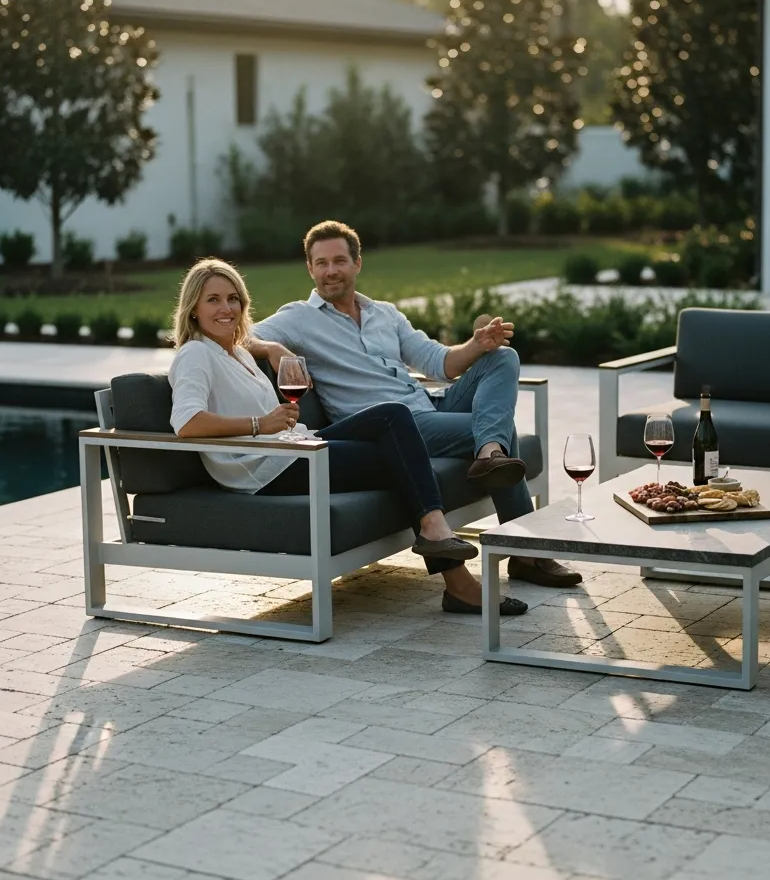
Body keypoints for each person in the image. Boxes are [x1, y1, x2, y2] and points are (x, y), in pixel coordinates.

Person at [248, 220, 583, 614]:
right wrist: (271, 347)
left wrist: (476, 345)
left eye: (339, 260)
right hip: (388, 426)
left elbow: (440, 363)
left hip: (430, 406)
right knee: (497, 427)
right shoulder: (298, 318)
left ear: (358, 263)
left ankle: (490, 455)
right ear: (310, 268)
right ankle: (522, 540)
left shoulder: (384, 314)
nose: (330, 270)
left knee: (502, 358)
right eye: (320, 263)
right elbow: (234, 335)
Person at [167, 259, 529, 603]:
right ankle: (454, 571)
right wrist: (261, 423)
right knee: (401, 456)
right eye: (213, 300)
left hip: (297, 448)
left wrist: (272, 354)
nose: (225, 308)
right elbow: (187, 423)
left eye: (233, 299)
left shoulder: (237, 353)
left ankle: (448, 542)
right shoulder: (195, 354)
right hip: (267, 469)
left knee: (392, 416)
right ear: (193, 308)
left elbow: (250, 339)